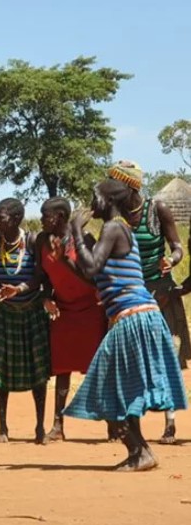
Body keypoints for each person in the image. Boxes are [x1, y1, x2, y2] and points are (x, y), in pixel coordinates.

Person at [65, 177, 188, 471]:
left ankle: (139, 451)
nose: (90, 204)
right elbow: (95, 276)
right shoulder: (123, 230)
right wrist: (70, 252)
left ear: (107, 201)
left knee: (103, 390)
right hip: (138, 316)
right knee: (123, 390)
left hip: (131, 317)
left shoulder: (113, 228)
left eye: (94, 197)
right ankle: (140, 451)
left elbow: (92, 265)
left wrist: (74, 231)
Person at [109, 161, 187, 444]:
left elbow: (177, 246)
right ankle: (132, 424)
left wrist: (172, 259)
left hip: (160, 293)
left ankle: (170, 423)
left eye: (115, 185)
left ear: (129, 186)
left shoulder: (157, 210)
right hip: (128, 294)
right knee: (130, 360)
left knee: (166, 358)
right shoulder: (114, 217)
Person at [0, 198, 50, 444]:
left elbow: (40, 277)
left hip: (32, 310)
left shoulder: (34, 241)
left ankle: (40, 427)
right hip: (2, 312)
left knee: (38, 369)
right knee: (0, 370)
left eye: (1, 218)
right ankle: (2, 428)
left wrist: (19, 288)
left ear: (16, 219)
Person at [32, 197, 107, 442]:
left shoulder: (85, 241)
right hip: (63, 311)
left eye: (47, 216)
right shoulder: (41, 241)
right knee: (62, 368)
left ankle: (113, 424)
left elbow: (94, 280)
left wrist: (66, 258)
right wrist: (46, 298)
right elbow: (41, 277)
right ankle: (57, 424)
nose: (42, 220)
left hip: (91, 312)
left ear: (61, 217)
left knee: (98, 370)